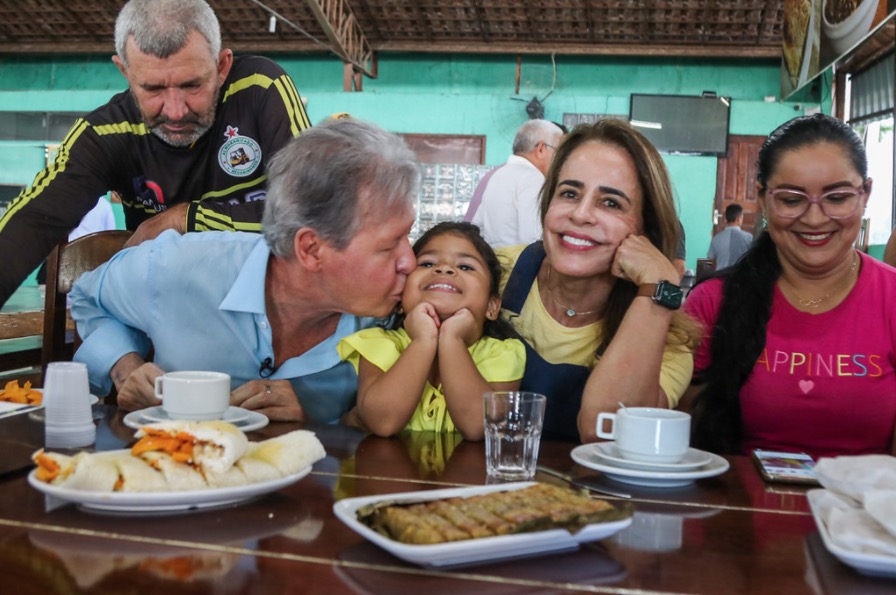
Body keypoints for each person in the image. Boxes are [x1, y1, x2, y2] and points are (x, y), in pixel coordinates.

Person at [70, 118, 419, 424]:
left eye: (409, 236)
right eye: (390, 246)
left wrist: (322, 396)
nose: (411, 262)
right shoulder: (178, 268)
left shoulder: (398, 305)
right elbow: (86, 297)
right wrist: (124, 368)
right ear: (311, 249)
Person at [0, 0, 311, 307]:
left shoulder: (259, 88)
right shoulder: (104, 135)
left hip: (273, 308)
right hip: (168, 320)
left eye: (192, 85)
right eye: (152, 89)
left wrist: (182, 219)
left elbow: (309, 211)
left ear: (221, 66)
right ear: (124, 71)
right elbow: (31, 223)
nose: (175, 112)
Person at [685, 113, 896, 459]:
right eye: (792, 200)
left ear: (865, 193)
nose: (815, 218)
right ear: (763, 198)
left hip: (864, 511)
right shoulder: (711, 304)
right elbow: (682, 443)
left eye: (837, 198)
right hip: (738, 511)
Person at [497, 119, 698, 443]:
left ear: (645, 230)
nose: (581, 214)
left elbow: (606, 433)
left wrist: (659, 284)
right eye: (569, 193)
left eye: (611, 203)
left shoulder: (666, 342)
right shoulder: (492, 274)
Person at [337, 222, 525, 440]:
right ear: (400, 300)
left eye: (465, 267)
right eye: (427, 263)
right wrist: (423, 340)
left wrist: (451, 339)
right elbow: (382, 422)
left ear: (492, 307)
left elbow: (478, 427)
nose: (444, 269)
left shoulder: (503, 353)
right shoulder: (378, 342)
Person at [466, 119, 564, 247]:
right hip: (517, 263)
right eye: (559, 152)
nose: (561, 159)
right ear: (541, 149)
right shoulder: (533, 178)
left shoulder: (498, 174)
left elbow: (476, 227)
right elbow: (533, 239)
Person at [707, 203, 753, 270]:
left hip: (720, 276)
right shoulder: (749, 238)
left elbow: (710, 260)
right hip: (741, 277)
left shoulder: (716, 238)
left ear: (725, 218)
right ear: (739, 218)